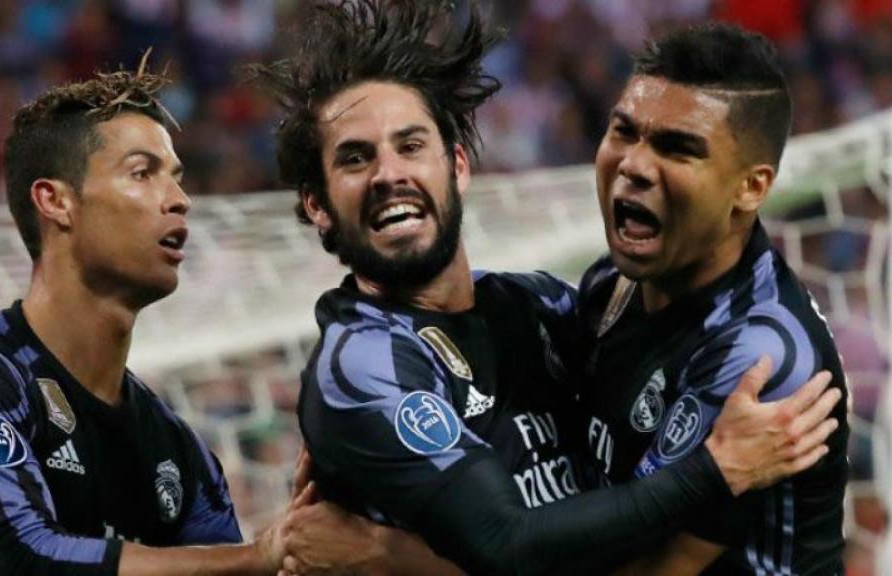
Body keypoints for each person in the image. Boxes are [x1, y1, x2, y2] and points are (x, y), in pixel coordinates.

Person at [249, 2, 842, 575]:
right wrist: (712, 472)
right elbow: (507, 543)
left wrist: (387, 557)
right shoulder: (368, 366)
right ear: (317, 205)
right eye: (624, 132)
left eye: (410, 146)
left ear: (457, 164)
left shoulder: (756, 364)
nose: (389, 175)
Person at [0, 55, 287, 575]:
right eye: (143, 173)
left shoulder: (179, 450)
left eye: (176, 179)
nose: (179, 200)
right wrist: (261, 556)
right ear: (56, 202)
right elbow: (19, 559)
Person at [576, 23, 849, 575]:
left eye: (677, 148)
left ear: (750, 187)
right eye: (624, 132)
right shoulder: (614, 282)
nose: (633, 165)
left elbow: (644, 569)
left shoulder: (759, 359)